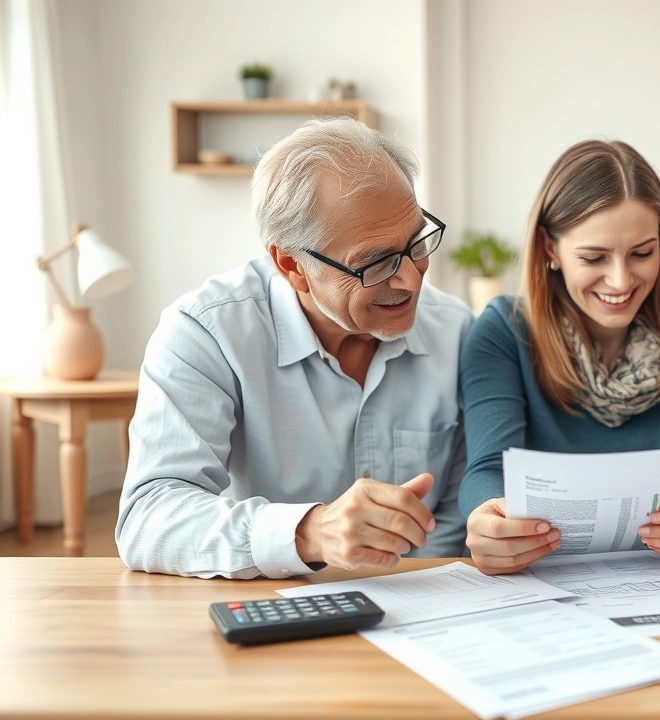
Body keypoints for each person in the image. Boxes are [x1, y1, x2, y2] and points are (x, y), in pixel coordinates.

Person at [116, 117, 472, 579]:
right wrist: (309, 531)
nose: (412, 277)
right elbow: (148, 518)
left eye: (416, 242)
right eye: (376, 262)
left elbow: (455, 523)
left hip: (425, 615)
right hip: (268, 614)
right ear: (292, 265)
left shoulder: (456, 330)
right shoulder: (206, 334)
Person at [459, 139, 660, 575]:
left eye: (642, 253)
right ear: (550, 248)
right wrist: (485, 519)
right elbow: (487, 471)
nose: (620, 281)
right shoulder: (503, 332)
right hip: (544, 584)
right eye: (594, 257)